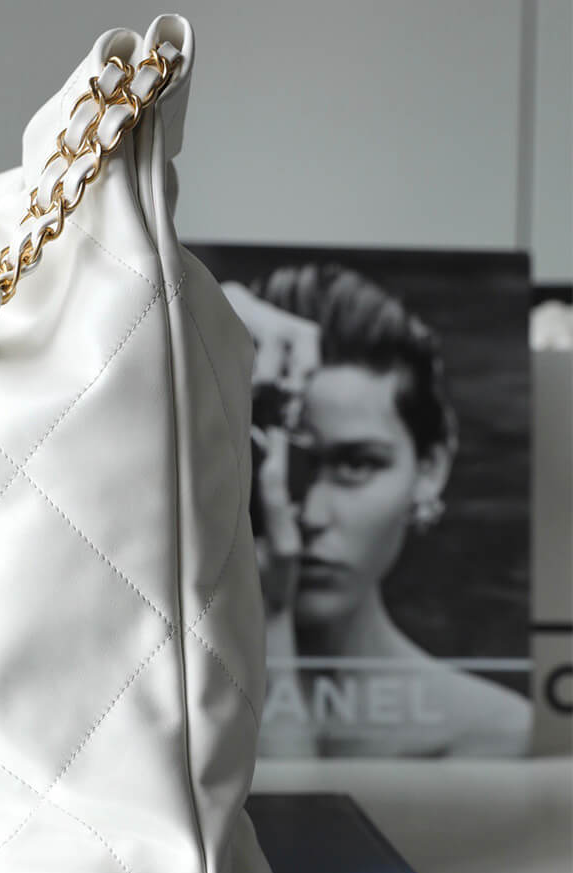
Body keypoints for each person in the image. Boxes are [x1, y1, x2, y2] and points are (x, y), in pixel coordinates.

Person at [223, 264, 530, 756]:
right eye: (279, 462)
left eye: (357, 464)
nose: (311, 516)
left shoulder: (493, 734)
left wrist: (269, 621)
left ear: (429, 468)